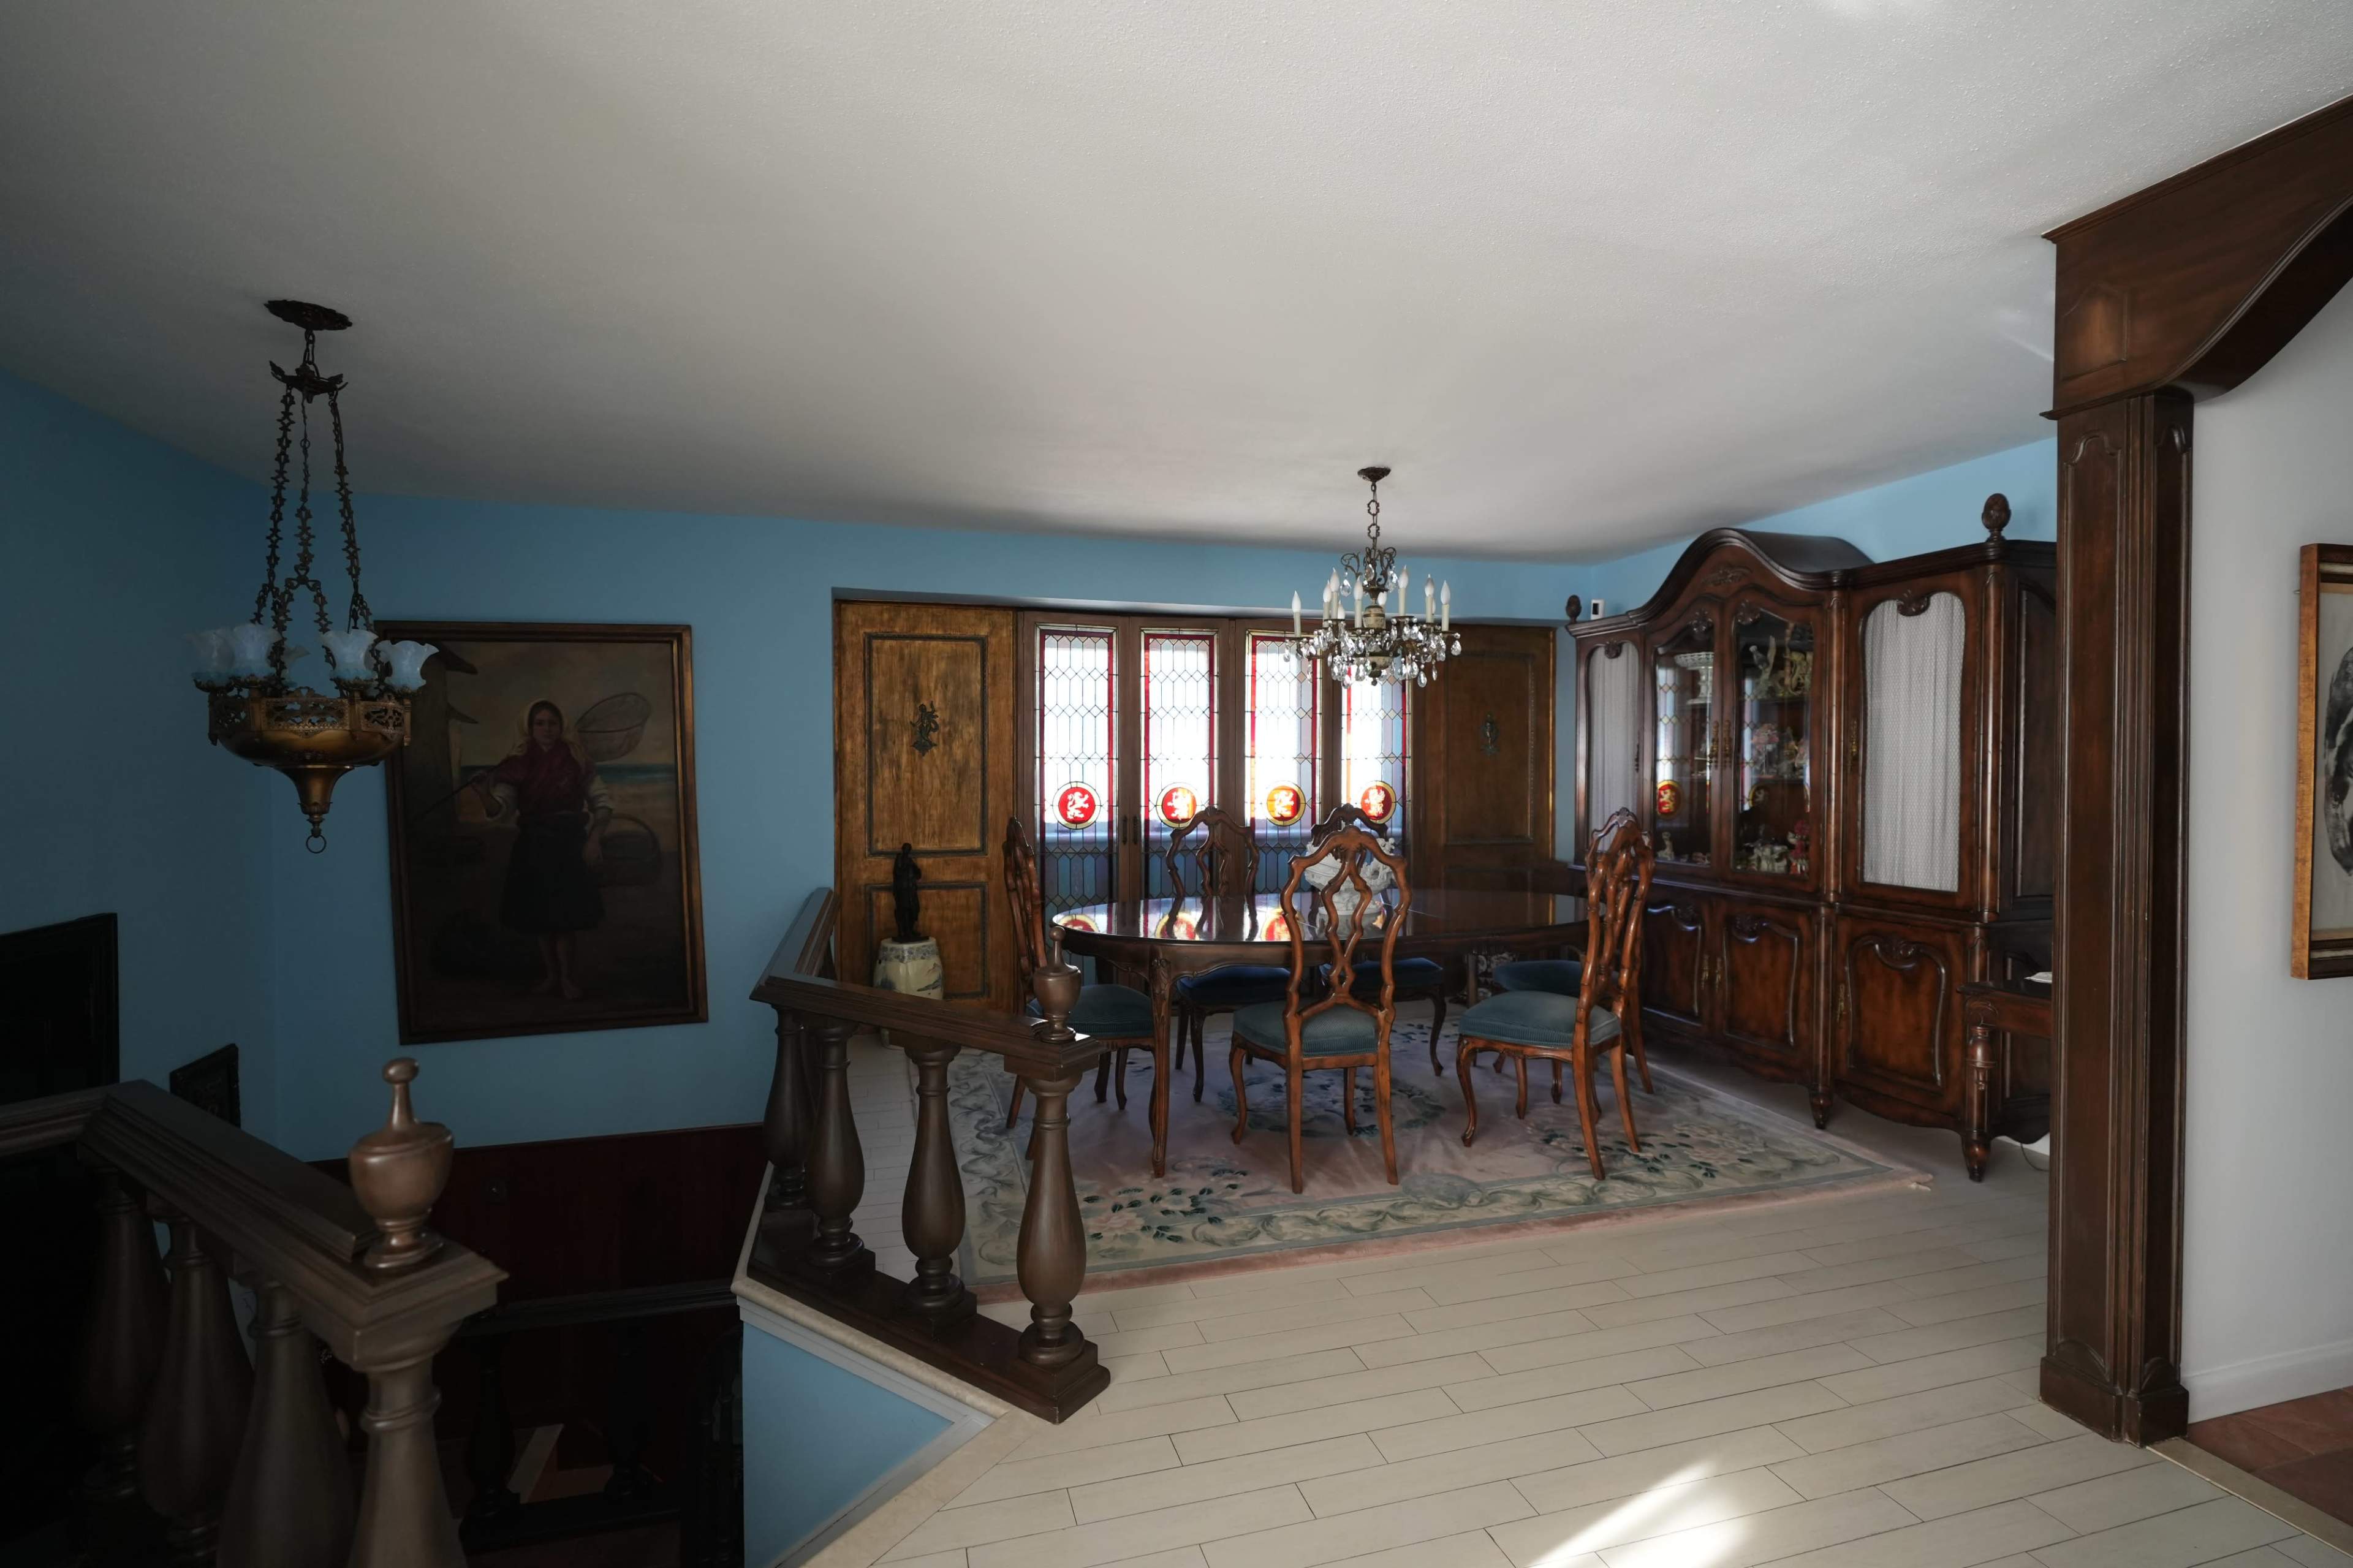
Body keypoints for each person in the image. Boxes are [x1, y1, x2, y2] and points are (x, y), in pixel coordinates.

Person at [470, 699, 612, 999]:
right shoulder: (516, 764)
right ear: (529, 727)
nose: (547, 729)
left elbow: (602, 802)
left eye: (552, 723)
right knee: (541, 918)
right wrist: (484, 794)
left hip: (568, 844)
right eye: (540, 723)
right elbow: (501, 809)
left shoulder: (578, 760)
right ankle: (551, 977)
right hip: (534, 844)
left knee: (565, 918)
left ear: (562, 727)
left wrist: (594, 838)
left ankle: (568, 979)